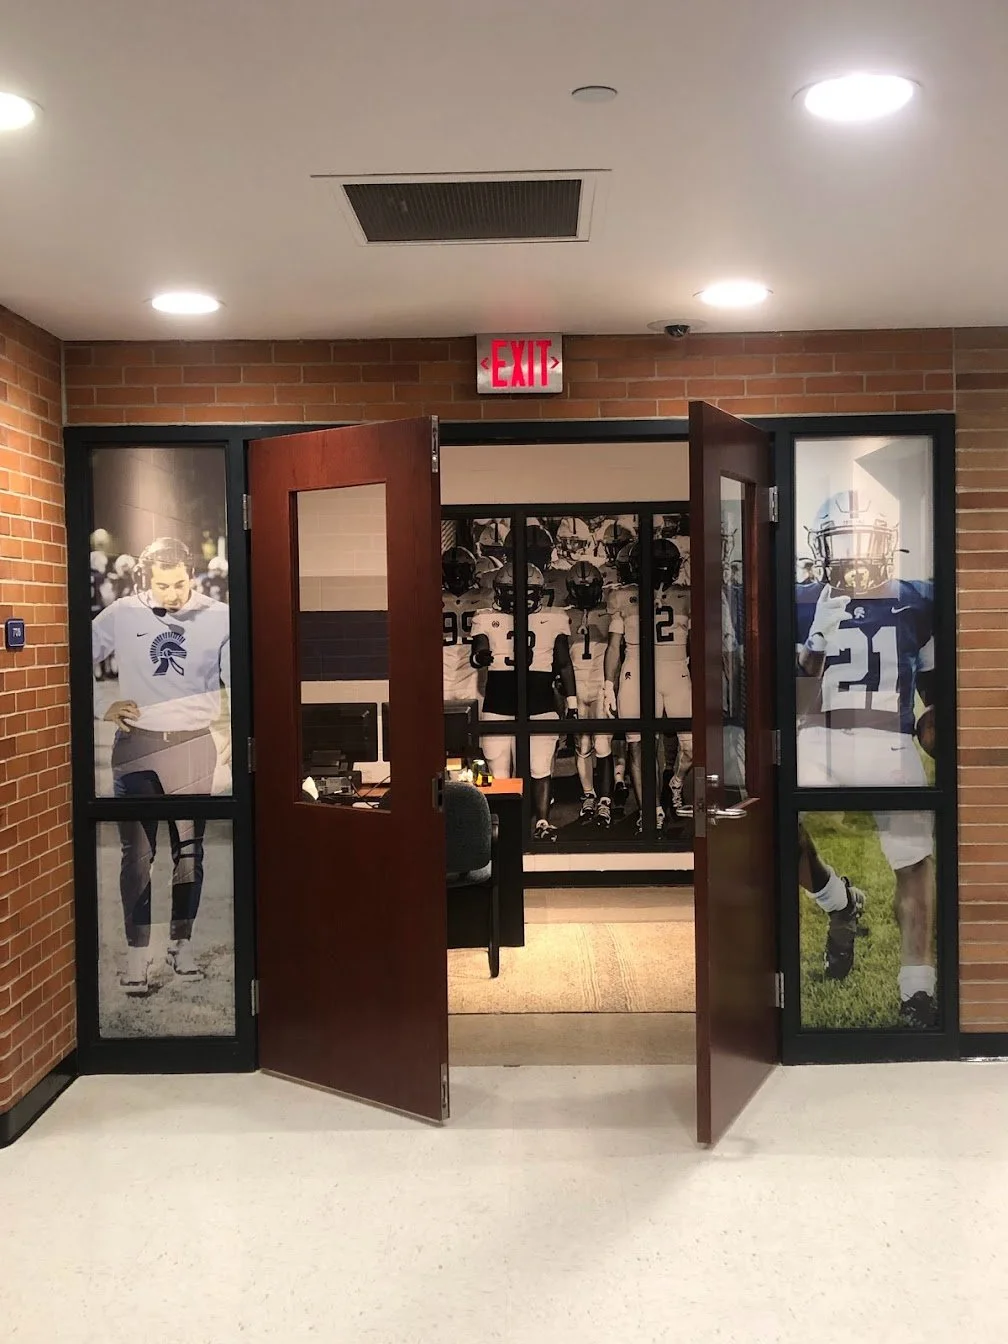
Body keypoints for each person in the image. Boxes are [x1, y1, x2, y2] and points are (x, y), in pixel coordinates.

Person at [796, 490, 937, 1028]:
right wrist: (817, 635)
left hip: (892, 738)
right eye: (843, 544)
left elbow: (933, 695)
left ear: (886, 546)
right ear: (822, 548)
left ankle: (916, 990)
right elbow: (797, 696)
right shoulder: (803, 600)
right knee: (774, 832)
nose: (854, 556)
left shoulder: (918, 601)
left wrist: (936, 726)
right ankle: (839, 900)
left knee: (912, 860)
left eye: (865, 543)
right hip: (820, 735)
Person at [91, 537, 231, 996]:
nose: (173, 593)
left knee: (189, 852)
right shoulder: (123, 612)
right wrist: (101, 705)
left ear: (191, 574)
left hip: (192, 746)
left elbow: (242, 678)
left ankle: (181, 944)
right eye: (163, 585)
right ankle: (137, 956)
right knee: (138, 856)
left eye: (180, 582)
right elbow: (71, 654)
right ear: (144, 581)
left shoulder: (219, 617)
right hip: (136, 747)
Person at [470, 561, 576, 841]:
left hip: (539, 697)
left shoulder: (554, 618)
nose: (517, 597)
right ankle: (503, 825)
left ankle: (542, 821)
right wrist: (481, 656)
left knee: (540, 767)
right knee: (499, 770)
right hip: (499, 698)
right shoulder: (484, 616)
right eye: (510, 591)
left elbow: (564, 664)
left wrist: (572, 702)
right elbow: (479, 646)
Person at [565, 561, 614, 828]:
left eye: (589, 588)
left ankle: (605, 800)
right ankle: (588, 795)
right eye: (580, 589)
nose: (585, 594)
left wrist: (611, 686)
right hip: (577, 686)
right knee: (582, 746)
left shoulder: (608, 612)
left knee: (603, 745)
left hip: (598, 685)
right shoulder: (564, 615)